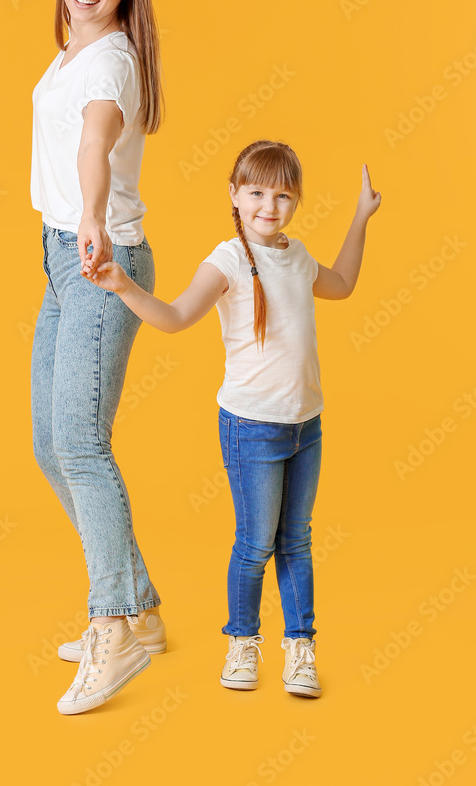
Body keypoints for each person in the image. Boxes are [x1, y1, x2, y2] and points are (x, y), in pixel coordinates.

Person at [82, 140, 381, 697]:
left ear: (296, 201)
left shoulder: (295, 255)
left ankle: (301, 650)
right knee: (255, 543)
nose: (271, 204)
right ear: (235, 196)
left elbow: (341, 284)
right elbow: (173, 318)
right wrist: (122, 283)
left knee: (296, 541)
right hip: (252, 428)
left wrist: (361, 216)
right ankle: (242, 642)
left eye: (284, 194)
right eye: (257, 192)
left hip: (306, 425)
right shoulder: (226, 262)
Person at [16, 0, 167, 715]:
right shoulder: (77, 35)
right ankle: (139, 606)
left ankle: (112, 626)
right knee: (50, 446)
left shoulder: (109, 60)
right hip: (61, 259)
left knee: (80, 445)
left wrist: (91, 221)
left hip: (98, 260)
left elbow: (95, 142)